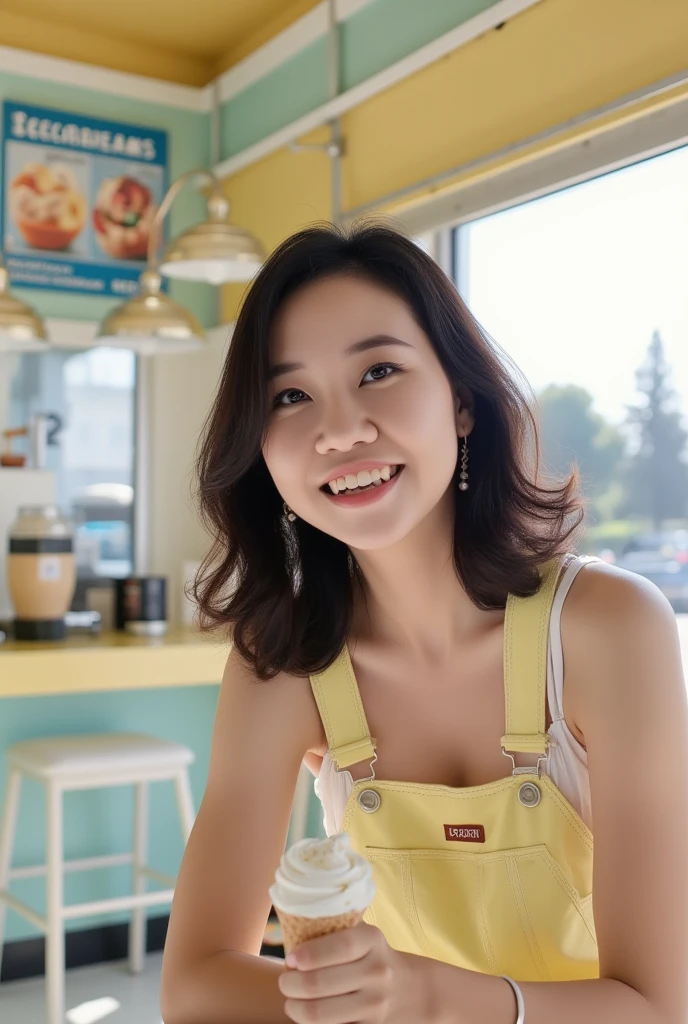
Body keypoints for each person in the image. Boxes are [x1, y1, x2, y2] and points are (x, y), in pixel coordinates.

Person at [160, 223, 688, 1024]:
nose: (339, 431)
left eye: (379, 371)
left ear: (463, 403)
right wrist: (360, 998)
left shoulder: (609, 630)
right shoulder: (285, 663)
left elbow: (659, 1005)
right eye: (291, 395)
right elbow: (194, 989)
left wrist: (427, 998)